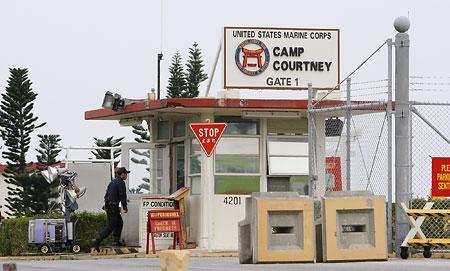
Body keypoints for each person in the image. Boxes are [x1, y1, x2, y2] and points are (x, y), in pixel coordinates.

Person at [92, 167, 130, 252]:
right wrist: (125, 207)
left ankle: (116, 241)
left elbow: (106, 195)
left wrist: (107, 205)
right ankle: (97, 240)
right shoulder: (121, 182)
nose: (127, 176)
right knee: (110, 227)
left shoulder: (113, 182)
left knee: (119, 223)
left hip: (110, 207)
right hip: (113, 208)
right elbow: (122, 196)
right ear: (122, 174)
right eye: (126, 174)